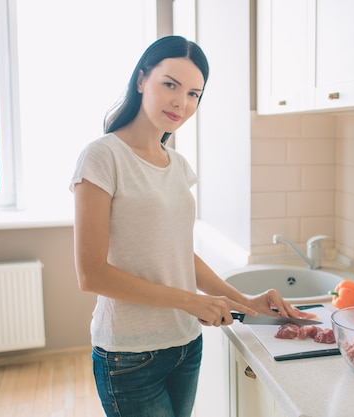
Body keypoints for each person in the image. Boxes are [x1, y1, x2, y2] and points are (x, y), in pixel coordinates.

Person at [70, 35, 314, 417]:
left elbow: (180, 255)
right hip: (129, 355)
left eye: (193, 94)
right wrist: (192, 301)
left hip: (185, 344)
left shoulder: (178, 165)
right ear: (140, 80)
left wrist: (245, 301)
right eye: (170, 84)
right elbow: (92, 275)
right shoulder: (103, 157)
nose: (180, 102)